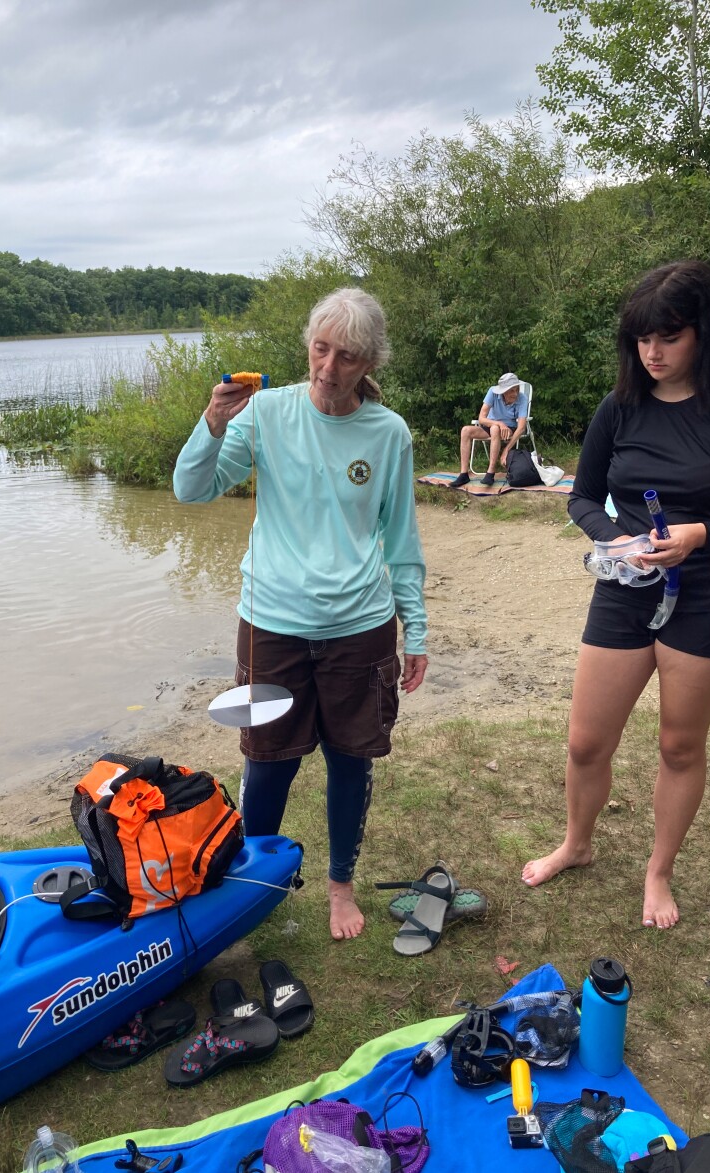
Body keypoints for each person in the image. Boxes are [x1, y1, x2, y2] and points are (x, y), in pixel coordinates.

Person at [173, 288, 429, 941]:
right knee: (268, 761)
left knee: (351, 760)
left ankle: (340, 886)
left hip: (360, 625)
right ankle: (253, 889)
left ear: (370, 361)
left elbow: (400, 539)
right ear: (307, 345)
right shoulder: (264, 413)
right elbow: (191, 488)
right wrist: (212, 423)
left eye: (346, 356)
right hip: (273, 620)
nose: (328, 367)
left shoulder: (389, 432)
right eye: (320, 348)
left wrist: (416, 626)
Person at [522, 260, 710, 929]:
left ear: (705, 334)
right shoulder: (621, 405)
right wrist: (613, 541)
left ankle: (658, 871)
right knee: (587, 740)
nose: (652, 352)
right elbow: (583, 496)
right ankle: (577, 842)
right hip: (628, 585)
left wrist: (699, 534)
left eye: (668, 336)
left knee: (680, 745)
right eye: (642, 338)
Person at [453, 372, 529, 487]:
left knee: (495, 429)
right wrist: (499, 423)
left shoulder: (522, 398)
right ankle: (464, 474)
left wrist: (506, 450)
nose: (515, 394)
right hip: (490, 425)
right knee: (465, 430)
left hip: (509, 429)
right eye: (511, 391)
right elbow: (481, 418)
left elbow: (522, 427)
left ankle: (490, 472)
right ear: (503, 391)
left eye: (516, 389)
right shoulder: (492, 392)